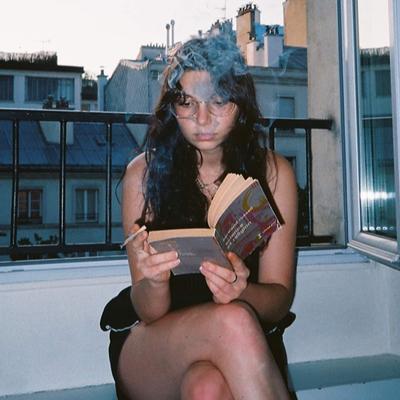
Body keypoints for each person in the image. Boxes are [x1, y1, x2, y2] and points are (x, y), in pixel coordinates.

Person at [101, 34, 298, 400]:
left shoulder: (273, 173)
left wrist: (242, 291)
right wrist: (155, 283)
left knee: (207, 389)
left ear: (240, 104)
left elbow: (279, 301)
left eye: (218, 101)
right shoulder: (143, 174)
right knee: (234, 319)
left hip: (238, 342)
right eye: (187, 102)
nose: (202, 119)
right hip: (155, 344)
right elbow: (148, 310)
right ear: (172, 107)